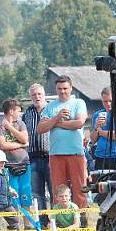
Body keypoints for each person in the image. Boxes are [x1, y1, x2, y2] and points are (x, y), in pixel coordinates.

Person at [37, 75, 89, 210]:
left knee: (80, 188)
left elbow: (79, 123)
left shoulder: (79, 103)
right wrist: (57, 117)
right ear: (56, 89)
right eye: (59, 88)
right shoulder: (50, 107)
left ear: (71, 88)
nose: (62, 91)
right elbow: (41, 128)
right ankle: (60, 222)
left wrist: (56, 123)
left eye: (65, 88)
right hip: (56, 154)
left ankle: (82, 220)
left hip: (76, 153)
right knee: (58, 191)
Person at [0, 98, 33, 226]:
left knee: (26, 195)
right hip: (8, 166)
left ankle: (27, 225)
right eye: (18, 111)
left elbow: (25, 138)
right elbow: (3, 145)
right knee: (13, 196)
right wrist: (21, 145)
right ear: (11, 111)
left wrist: (10, 127)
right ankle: (15, 225)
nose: (20, 113)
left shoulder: (20, 124)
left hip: (24, 164)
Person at [22, 83, 52, 217]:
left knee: (54, 190)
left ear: (44, 95)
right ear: (30, 97)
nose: (37, 97)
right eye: (34, 95)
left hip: (51, 156)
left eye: (39, 94)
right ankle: (43, 221)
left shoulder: (52, 108)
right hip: (33, 157)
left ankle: (56, 219)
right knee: (37, 192)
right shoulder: (27, 112)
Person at [90, 87, 116, 170]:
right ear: (101, 100)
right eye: (105, 101)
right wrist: (96, 127)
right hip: (100, 155)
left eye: (110, 101)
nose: (108, 104)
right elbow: (93, 140)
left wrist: (101, 132)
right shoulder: (97, 115)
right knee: (100, 182)